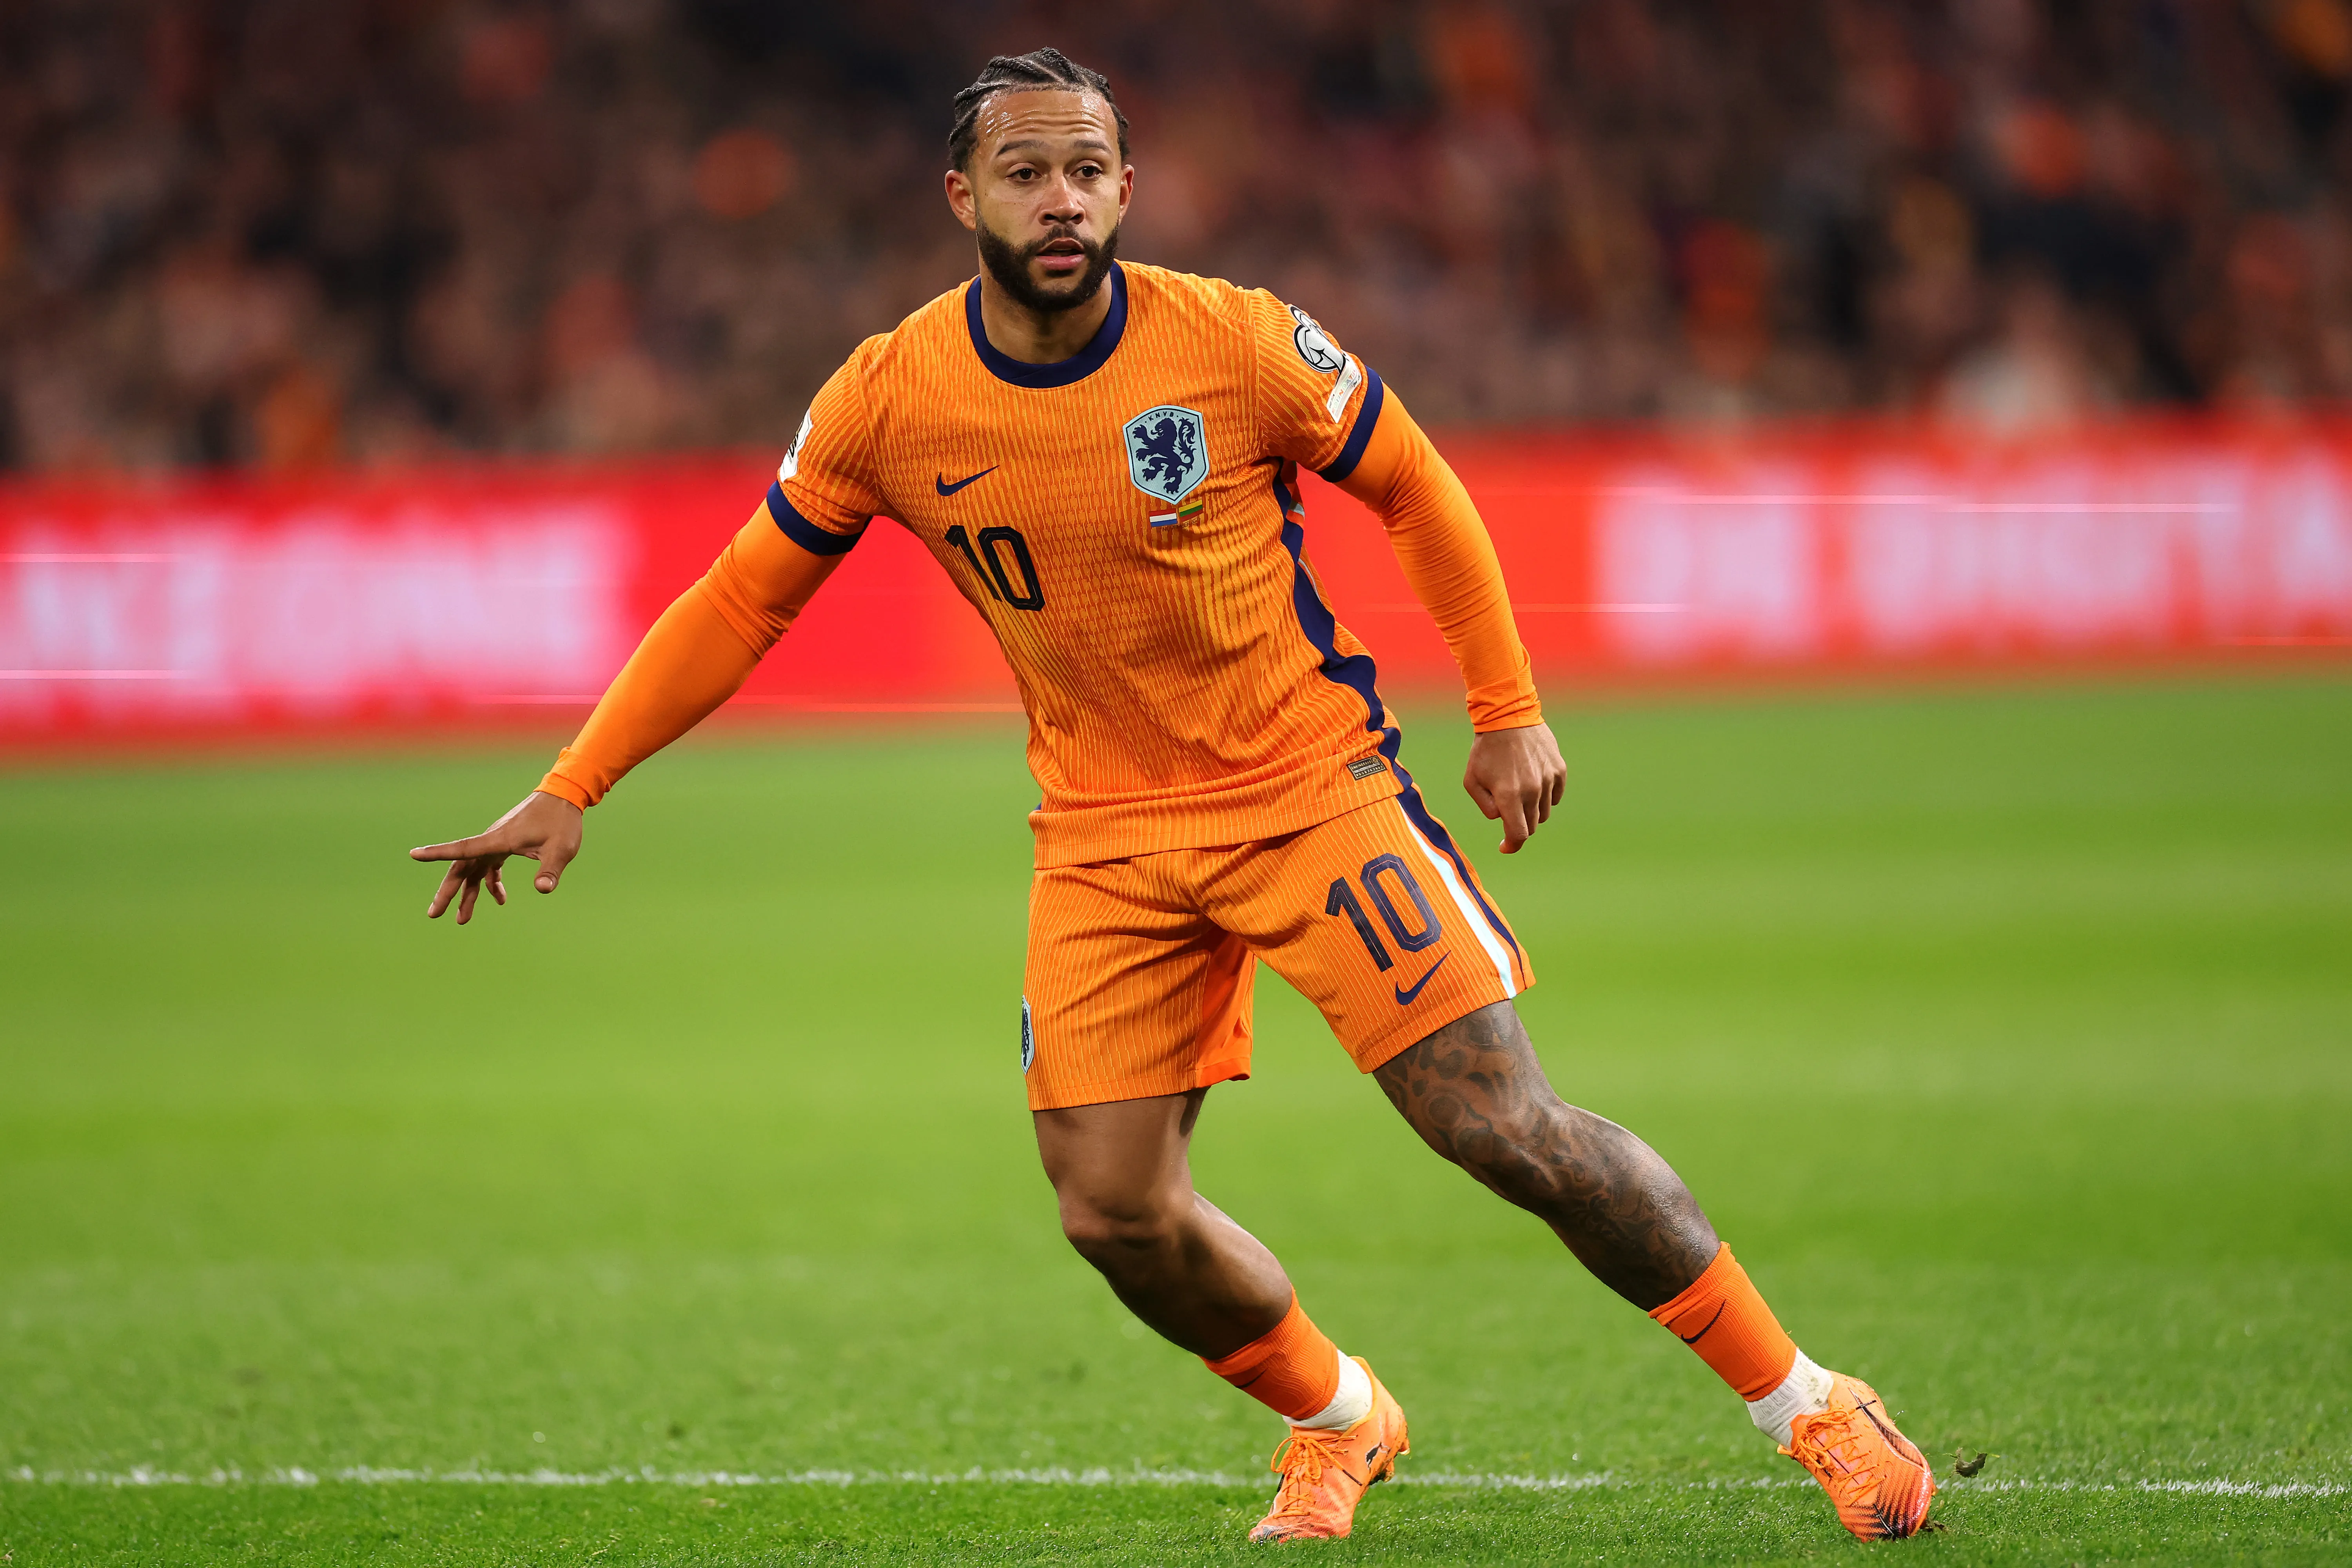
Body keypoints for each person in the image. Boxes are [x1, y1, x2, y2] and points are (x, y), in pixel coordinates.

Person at [411, 47, 1937, 1545]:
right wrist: (576, 782)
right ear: (964, 196)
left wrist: (1507, 710)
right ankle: (1340, 1419)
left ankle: (1804, 1397)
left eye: (1087, 169)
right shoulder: (890, 396)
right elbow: (744, 599)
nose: (1061, 198)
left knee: (1502, 1127)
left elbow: (1413, 481)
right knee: (1114, 1217)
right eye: (1026, 172)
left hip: (1308, 785)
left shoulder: (1239, 342)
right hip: (1105, 837)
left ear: (1128, 185)